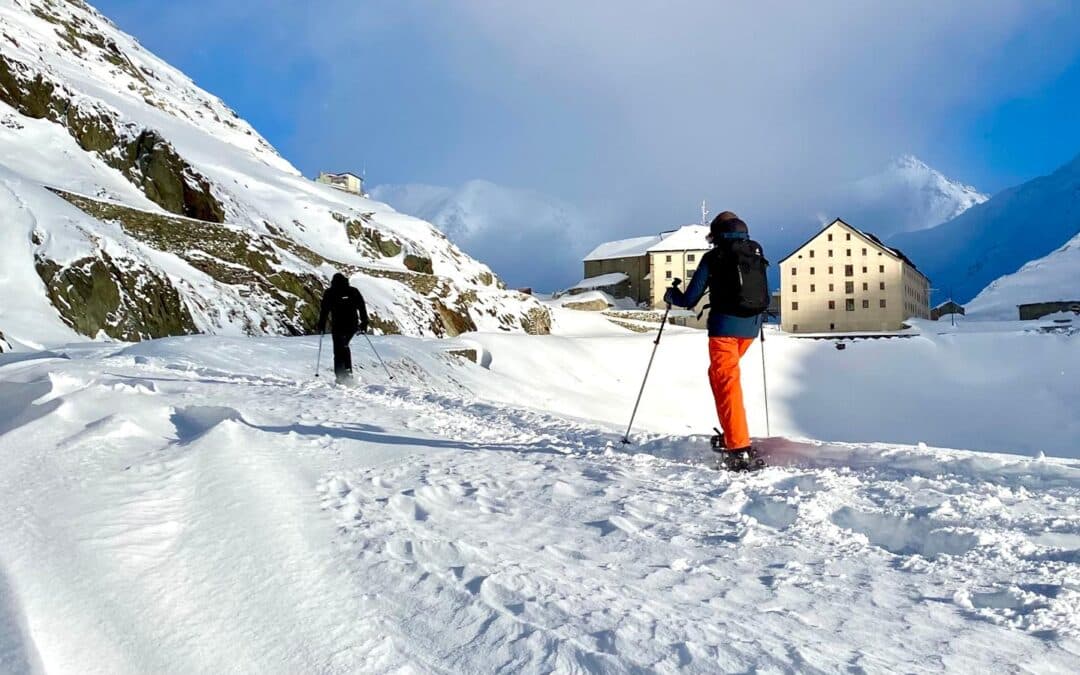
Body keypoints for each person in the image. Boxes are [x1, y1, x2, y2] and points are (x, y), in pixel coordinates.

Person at [664, 211, 769, 471]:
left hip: (724, 330)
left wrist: (671, 295)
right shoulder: (754, 250)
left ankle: (738, 448)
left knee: (726, 384)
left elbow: (689, 300)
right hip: (751, 328)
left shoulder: (714, 257)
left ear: (716, 233)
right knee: (720, 377)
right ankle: (733, 435)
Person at [316, 272, 369, 384]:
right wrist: (364, 323)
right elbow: (362, 307)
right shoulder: (353, 291)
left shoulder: (330, 292)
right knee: (344, 346)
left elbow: (324, 311)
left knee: (338, 349)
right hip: (352, 325)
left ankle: (341, 376)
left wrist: (321, 325)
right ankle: (347, 373)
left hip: (338, 325)